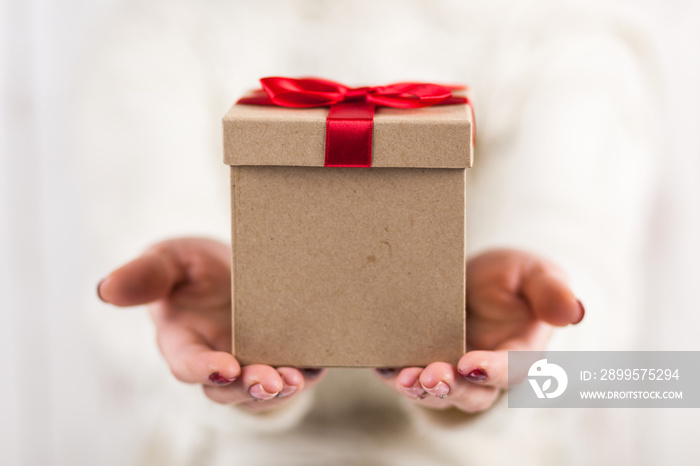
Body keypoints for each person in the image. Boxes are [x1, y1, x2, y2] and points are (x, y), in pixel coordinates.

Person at [83, 0, 657, 464]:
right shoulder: (163, 25)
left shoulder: (566, 28)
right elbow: (130, 317)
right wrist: (207, 312)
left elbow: (598, 325)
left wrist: (526, 346)